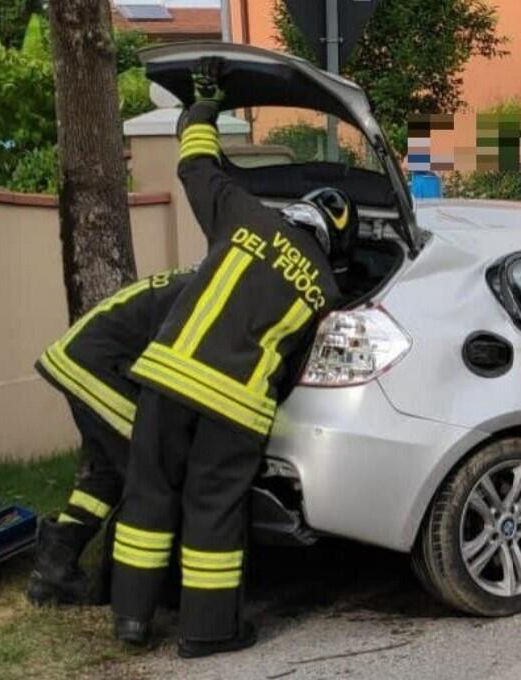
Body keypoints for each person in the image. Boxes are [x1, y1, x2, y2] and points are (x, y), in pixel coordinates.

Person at [110, 58, 358, 659]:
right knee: (213, 509)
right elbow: (300, 363)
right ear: (332, 240)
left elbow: (196, 164)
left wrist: (205, 106)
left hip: (168, 377)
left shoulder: (244, 214)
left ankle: (132, 619)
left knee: (148, 492)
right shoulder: (326, 288)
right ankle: (208, 632)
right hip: (236, 404)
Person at [27, 266, 194, 606]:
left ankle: (52, 572)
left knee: (104, 475)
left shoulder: (190, 281)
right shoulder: (204, 294)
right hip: (93, 366)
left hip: (77, 360)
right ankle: (136, 580)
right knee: (151, 467)